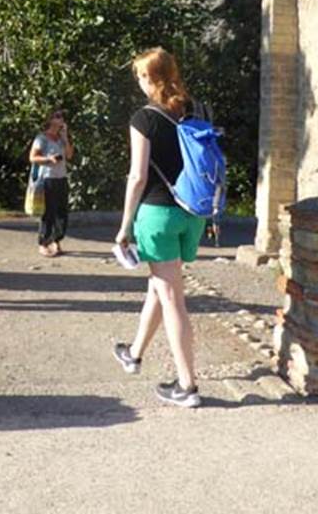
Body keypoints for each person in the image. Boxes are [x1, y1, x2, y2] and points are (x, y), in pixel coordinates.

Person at [112, 48, 205, 408]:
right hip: (192, 213)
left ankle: (187, 386)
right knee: (161, 284)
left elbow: (137, 176)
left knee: (172, 299)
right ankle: (134, 353)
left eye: (139, 75)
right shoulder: (192, 108)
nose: (138, 81)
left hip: (157, 215)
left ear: (149, 78)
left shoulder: (143, 118)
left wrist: (124, 227)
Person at [29, 109, 74, 256]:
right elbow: (33, 157)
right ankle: (43, 243)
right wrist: (49, 159)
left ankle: (56, 240)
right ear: (50, 120)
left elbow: (69, 155)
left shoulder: (61, 139)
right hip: (47, 179)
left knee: (62, 213)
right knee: (48, 213)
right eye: (58, 116)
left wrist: (65, 137)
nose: (61, 119)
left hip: (62, 178)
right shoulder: (41, 138)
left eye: (62, 117)